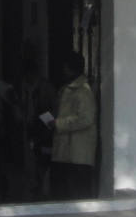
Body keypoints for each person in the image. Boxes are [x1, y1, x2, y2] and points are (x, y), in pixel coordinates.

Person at [48, 50, 97, 200]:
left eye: (64, 67)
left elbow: (86, 119)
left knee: (77, 194)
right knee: (61, 193)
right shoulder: (68, 89)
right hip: (65, 153)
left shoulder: (83, 91)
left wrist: (59, 124)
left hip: (78, 154)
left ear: (68, 68)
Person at [19, 58, 56, 200]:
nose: (27, 78)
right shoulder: (24, 86)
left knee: (44, 156)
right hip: (31, 125)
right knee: (34, 154)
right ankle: (39, 184)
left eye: (29, 75)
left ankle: (44, 186)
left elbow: (55, 104)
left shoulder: (45, 86)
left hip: (44, 125)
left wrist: (52, 122)